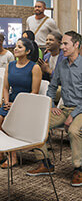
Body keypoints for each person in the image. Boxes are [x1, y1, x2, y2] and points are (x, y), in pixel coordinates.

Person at [27, 31, 82, 186]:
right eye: (62, 43)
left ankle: (79, 169)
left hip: (80, 109)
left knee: (74, 131)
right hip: (64, 109)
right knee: (35, 125)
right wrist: (51, 106)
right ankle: (45, 163)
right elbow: (51, 88)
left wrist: (73, 114)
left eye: (65, 44)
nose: (62, 47)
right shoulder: (62, 65)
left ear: (76, 45)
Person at [0, 38, 41, 167]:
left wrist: (16, 105)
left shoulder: (35, 67)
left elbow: (34, 92)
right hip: (11, 100)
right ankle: (0, 152)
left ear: (28, 51)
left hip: (27, 102)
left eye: (20, 47)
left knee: (8, 121)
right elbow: (5, 88)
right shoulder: (11, 65)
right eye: (15, 46)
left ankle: (12, 156)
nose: (16, 49)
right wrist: (7, 102)